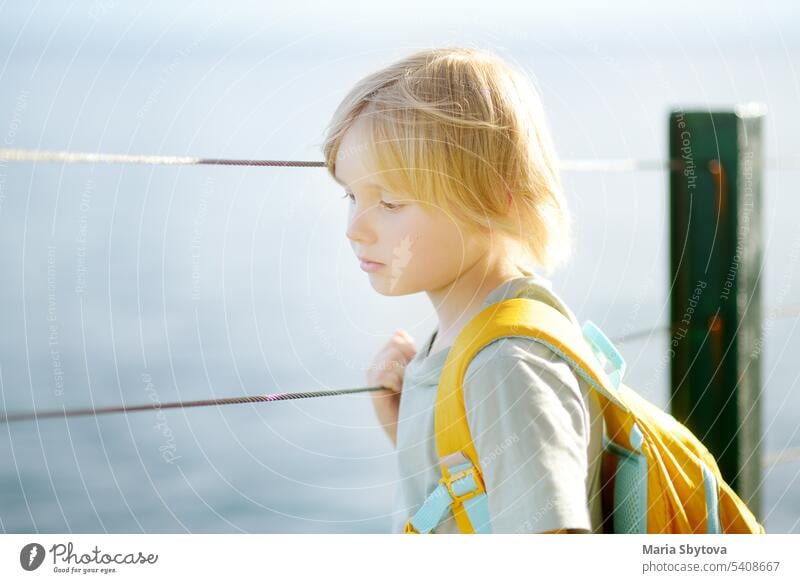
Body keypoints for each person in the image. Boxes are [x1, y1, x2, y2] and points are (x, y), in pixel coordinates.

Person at [321, 46, 603, 534]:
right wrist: (414, 429)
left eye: (389, 202)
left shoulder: (507, 365)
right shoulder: (473, 339)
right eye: (352, 196)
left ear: (494, 196)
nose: (355, 229)